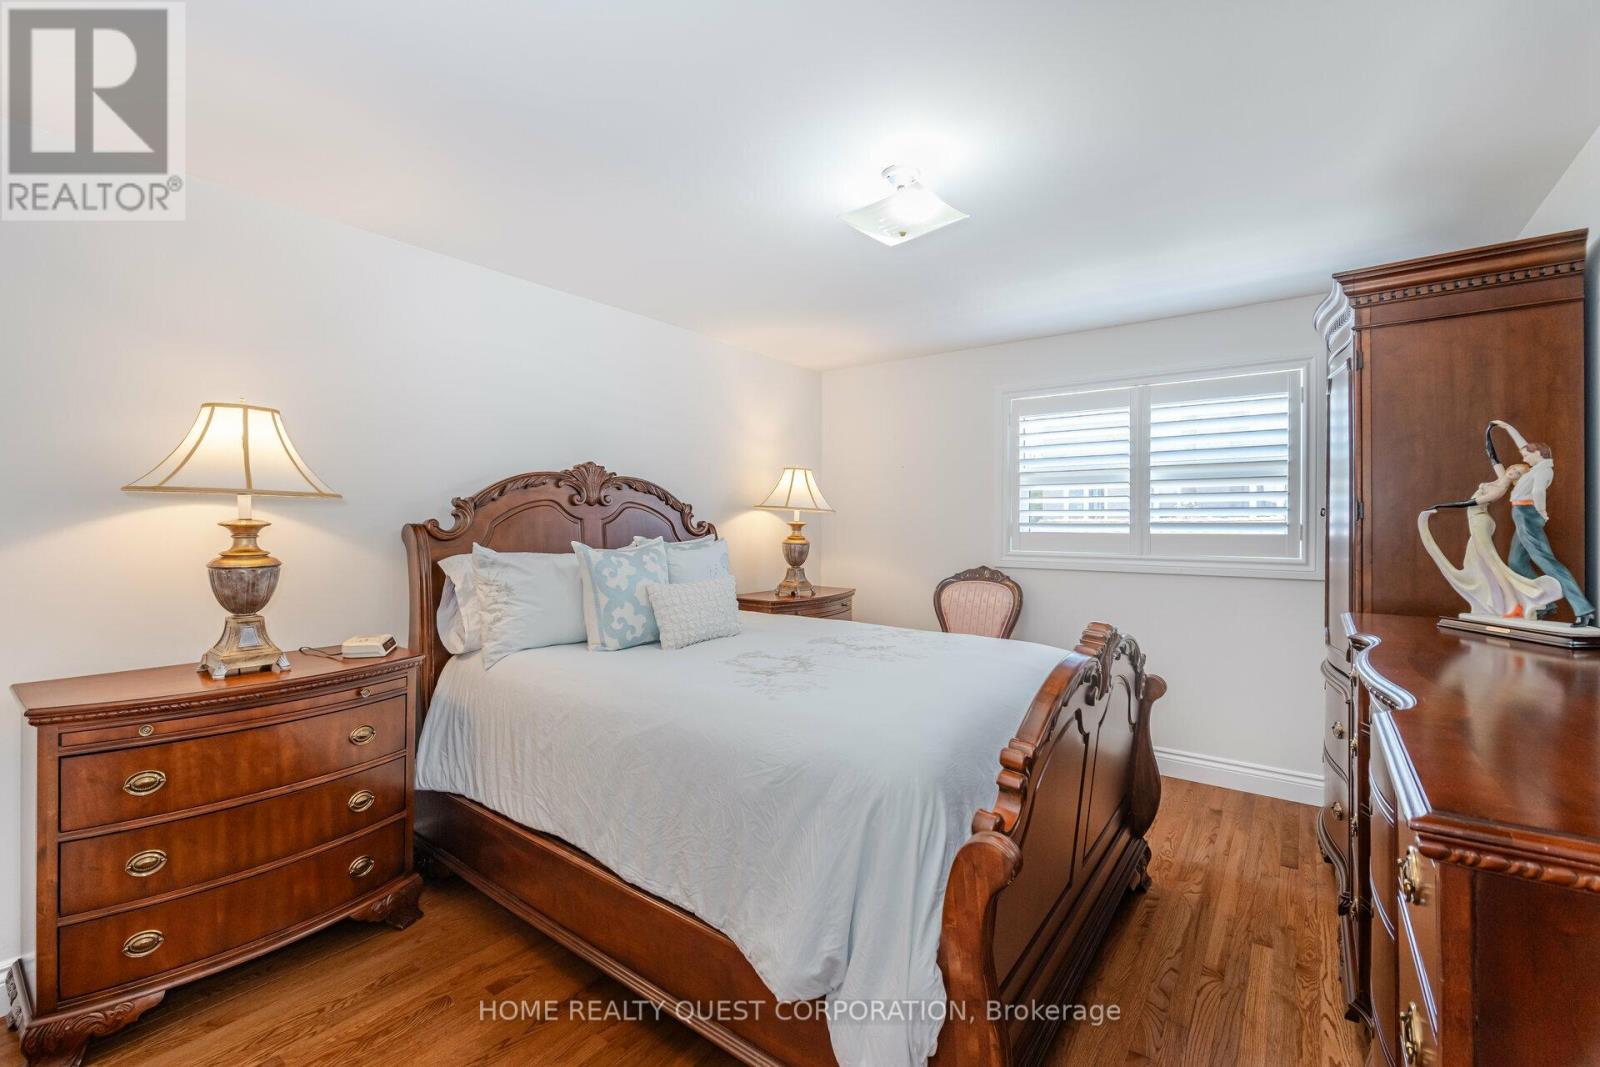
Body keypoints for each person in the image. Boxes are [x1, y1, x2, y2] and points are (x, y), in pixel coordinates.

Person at [1419, 462, 1560, 619]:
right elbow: (1493, 457)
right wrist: (1488, 436)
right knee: (1478, 564)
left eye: (1517, 473)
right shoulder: (1500, 478)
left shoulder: (1500, 490)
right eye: (1513, 468)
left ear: (1517, 480)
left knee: (1493, 564)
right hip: (1475, 523)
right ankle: (1491, 603)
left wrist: (1440, 505)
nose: (1512, 471)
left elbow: (1470, 503)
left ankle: (1515, 604)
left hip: (1480, 522)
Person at [1490, 420, 1595, 626]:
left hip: (1528, 513)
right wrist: (1508, 427)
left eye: (1527, 455)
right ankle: (1545, 603)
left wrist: (1541, 513)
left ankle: (1583, 609)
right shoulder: (1537, 466)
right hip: (1521, 513)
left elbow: (1538, 492)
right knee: (1516, 562)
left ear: (1538, 454)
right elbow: (1522, 444)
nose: (1523, 457)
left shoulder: (1543, 470)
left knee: (1547, 562)